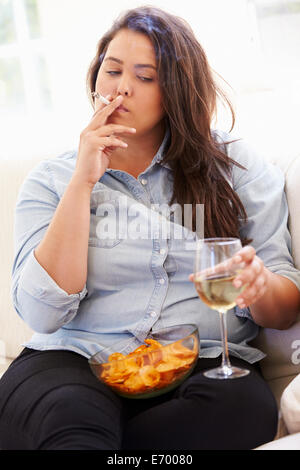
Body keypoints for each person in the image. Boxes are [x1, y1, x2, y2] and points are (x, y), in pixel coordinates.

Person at [0, 5, 299, 451]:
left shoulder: (237, 169)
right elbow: (42, 315)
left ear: (177, 90)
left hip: (203, 361)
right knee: (68, 415)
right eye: (113, 70)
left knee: (241, 408)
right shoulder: (53, 180)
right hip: (75, 359)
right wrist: (83, 182)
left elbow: (286, 309)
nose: (121, 88)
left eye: (145, 77)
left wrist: (258, 287)